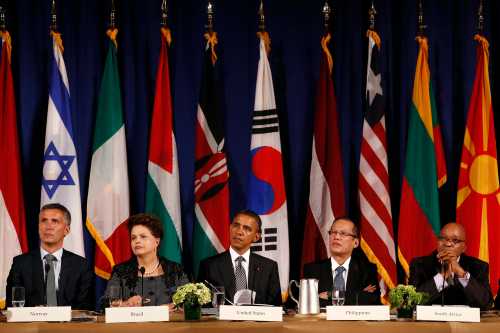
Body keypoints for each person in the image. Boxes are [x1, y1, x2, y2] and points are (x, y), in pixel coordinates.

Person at [6, 203, 93, 309]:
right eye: (44, 221)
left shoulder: (80, 265)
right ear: (38, 228)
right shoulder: (21, 263)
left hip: (68, 325)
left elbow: (85, 307)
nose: (48, 226)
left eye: (55, 221)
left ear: (67, 230)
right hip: (32, 324)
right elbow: (13, 305)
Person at [198, 210, 282, 306]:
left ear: (256, 237)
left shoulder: (269, 267)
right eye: (236, 225)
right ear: (230, 228)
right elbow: (201, 306)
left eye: (247, 228)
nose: (239, 232)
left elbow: (276, 307)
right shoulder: (209, 266)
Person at [103, 213, 189, 308]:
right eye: (133, 238)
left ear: (157, 241)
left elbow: (189, 301)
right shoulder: (120, 271)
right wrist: (126, 304)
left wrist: (172, 307)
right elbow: (107, 304)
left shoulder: (176, 270)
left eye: (143, 236)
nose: (137, 241)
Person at [409, 223, 492, 309]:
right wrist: (442, 276)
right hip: (430, 322)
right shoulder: (419, 264)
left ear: (464, 247)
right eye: (443, 238)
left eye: (455, 240)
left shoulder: (478, 267)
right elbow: (412, 302)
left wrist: (461, 273)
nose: (448, 244)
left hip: (467, 322)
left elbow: (486, 304)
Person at [303, 217, 380, 307]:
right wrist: (357, 295)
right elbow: (310, 303)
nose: (336, 237)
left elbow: (372, 300)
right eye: (333, 232)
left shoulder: (367, 270)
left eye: (343, 233)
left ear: (355, 243)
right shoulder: (312, 270)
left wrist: (330, 295)